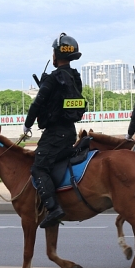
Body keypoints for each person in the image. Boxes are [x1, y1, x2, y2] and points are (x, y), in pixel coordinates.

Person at [23, 33, 85, 228]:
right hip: (70, 132)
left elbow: (37, 104)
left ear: (56, 55)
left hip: (54, 134)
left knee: (38, 167)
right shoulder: (75, 77)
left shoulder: (53, 78)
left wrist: (27, 125)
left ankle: (53, 208)